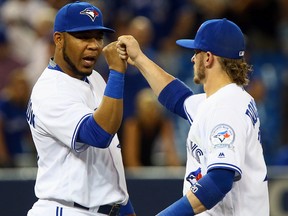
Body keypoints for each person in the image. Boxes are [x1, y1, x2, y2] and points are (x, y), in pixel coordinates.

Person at [117, 18, 269, 215]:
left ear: (208, 58)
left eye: (195, 53)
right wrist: (139, 58)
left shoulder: (225, 107)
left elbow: (219, 181)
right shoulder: (227, 99)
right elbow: (178, 98)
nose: (192, 59)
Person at [26, 2, 135, 216]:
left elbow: (110, 153)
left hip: (104, 209)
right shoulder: (50, 90)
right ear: (59, 39)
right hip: (66, 209)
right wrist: (117, 72)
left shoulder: (94, 78)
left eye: (98, 37)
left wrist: (124, 207)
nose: (94, 45)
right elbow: (99, 135)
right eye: (84, 37)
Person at [122, 88, 181, 167]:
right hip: (132, 171)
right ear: (139, 109)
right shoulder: (132, 125)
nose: (149, 112)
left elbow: (171, 153)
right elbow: (130, 160)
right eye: (146, 108)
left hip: (152, 168)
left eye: (152, 108)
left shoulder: (163, 124)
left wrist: (176, 173)